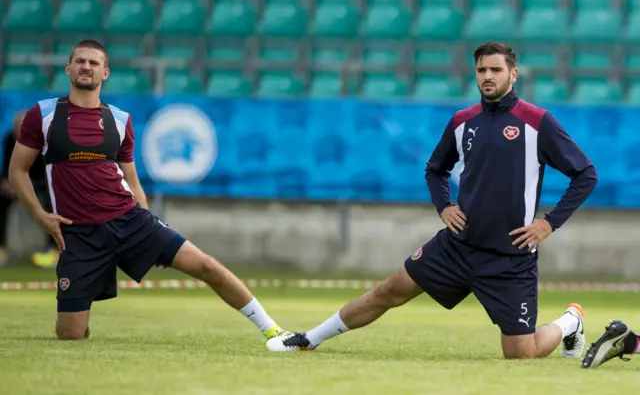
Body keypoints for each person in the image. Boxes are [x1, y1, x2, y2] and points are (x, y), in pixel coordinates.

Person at [266, 42, 598, 359]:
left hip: (510, 257)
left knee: (521, 354)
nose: (487, 76)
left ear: (513, 74)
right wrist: (445, 206)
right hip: (458, 246)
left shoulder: (538, 122)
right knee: (388, 291)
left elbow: (585, 174)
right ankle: (308, 339)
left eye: (496, 69)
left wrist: (548, 223)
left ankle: (570, 321)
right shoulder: (462, 121)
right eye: (481, 69)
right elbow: (435, 170)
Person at [8, 39, 291, 341]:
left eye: (93, 63)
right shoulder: (43, 115)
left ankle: (274, 331)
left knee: (206, 265)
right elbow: (17, 171)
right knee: (70, 335)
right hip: (78, 235)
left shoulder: (119, 120)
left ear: (105, 72)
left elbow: (131, 180)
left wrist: (146, 225)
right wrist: (40, 216)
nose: (86, 67)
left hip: (129, 221)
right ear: (68, 68)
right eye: (80, 61)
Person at [0, 111, 59, 268]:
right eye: (16, 126)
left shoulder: (45, 143)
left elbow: (49, 172)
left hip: (41, 183)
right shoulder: (9, 139)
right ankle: (1, 248)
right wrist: (7, 183)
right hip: (18, 183)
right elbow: (8, 167)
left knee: (52, 203)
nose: (18, 129)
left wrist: (27, 184)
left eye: (22, 125)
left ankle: (52, 249)